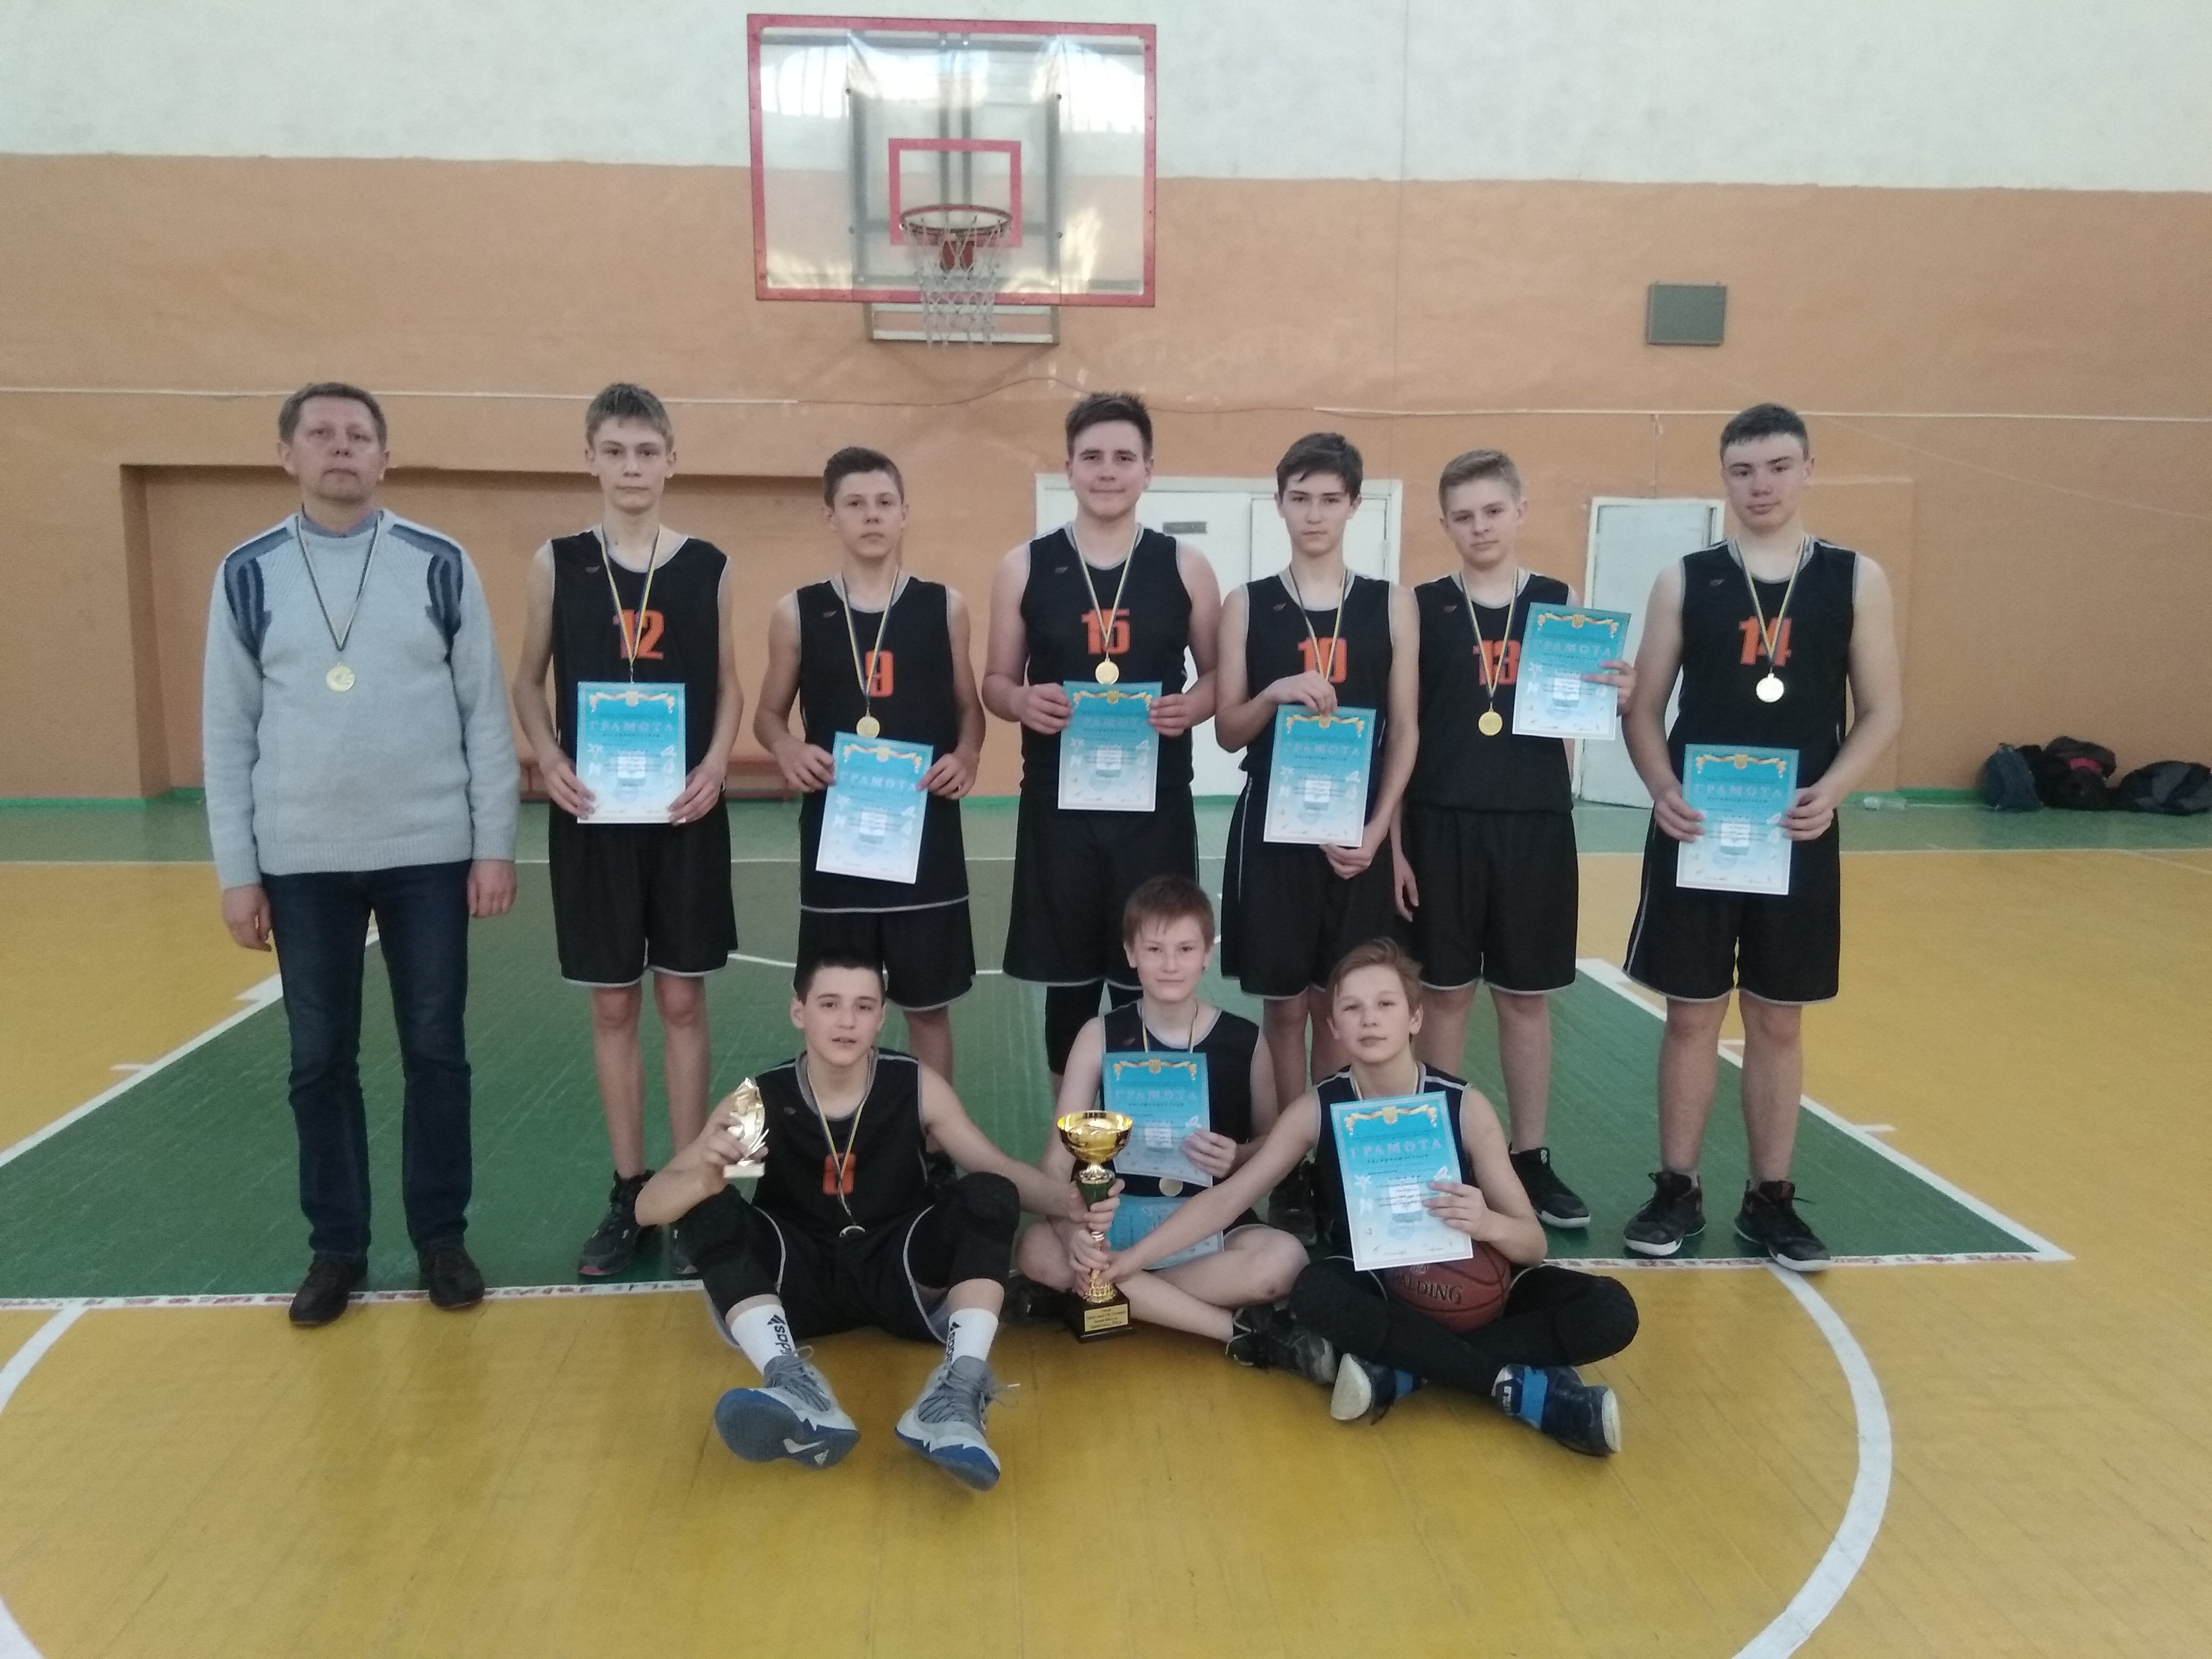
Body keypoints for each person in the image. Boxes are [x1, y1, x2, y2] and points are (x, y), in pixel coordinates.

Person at [204, 381, 518, 1327]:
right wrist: (238, 871)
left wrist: (493, 846)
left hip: (429, 853)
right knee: (317, 1062)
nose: (340, 447)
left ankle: (441, 1239)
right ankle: (336, 1248)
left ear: (384, 456)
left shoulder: (439, 563)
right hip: (301, 863)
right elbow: (227, 730)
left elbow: (484, 714)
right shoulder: (247, 573)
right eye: (321, 434)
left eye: (358, 435)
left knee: (437, 1052)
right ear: (288, 454)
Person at [1096, 940, 1638, 1455]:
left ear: (1415, 1018)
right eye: (1352, 1008)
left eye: (1385, 1004)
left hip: (1478, 1279)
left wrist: (1487, 1223)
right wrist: (1134, 1260)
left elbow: (1531, 1244)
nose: (1369, 1019)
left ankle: (1403, 1371)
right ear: (1333, 1027)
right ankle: (1523, 1388)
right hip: (1380, 1289)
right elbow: (1230, 1197)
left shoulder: (1463, 1107)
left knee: (1610, 1311)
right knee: (1315, 1294)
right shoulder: (1317, 1108)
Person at [635, 951, 1104, 1491]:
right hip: (796, 1280)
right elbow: (649, 1204)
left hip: (899, 1268)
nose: (846, 1021)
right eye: (829, 1004)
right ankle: (790, 1382)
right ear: (798, 1012)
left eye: (863, 1006)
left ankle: (954, 1393)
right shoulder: (763, 1098)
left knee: (990, 1192)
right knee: (704, 1203)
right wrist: (705, 1178)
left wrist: (1067, 1201)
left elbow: (993, 1166)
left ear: (881, 1018)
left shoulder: (912, 1083)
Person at [1620, 403, 1903, 1269]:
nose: (1761, 485)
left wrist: (1832, 793)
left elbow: (1883, 709)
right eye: (1743, 470)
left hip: (1796, 830)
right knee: (1691, 1015)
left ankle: (1769, 1197)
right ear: (1725, 478)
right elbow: (1643, 707)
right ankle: (1677, 1187)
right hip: (1699, 828)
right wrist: (1662, 790)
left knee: (1778, 1020)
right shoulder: (1686, 579)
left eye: (1779, 467)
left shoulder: (1856, 578)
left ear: (1809, 470)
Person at [510, 383, 742, 1279]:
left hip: (683, 810)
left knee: (682, 1000)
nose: (632, 467)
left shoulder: (709, 565)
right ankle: (629, 1187)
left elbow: (727, 685)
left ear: (671, 460)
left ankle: (690, 1187)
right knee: (614, 1005)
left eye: (647, 451)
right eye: (615, 451)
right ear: (592, 460)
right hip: (596, 814)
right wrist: (548, 757)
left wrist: (716, 764)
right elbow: (528, 680)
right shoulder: (557, 562)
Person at [1393, 449, 1635, 1230]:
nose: (1480, 527)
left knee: (1526, 999)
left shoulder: (1560, 606)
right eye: (1463, 516)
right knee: (1445, 997)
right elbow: (1402, 731)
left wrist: (1619, 693)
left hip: (1533, 823)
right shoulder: (1422, 607)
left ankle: (1529, 1158)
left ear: (1520, 512)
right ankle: (1443, 1150)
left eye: (1493, 511)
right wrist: (1395, 843)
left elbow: (1588, 711)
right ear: (1444, 524)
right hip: (1440, 822)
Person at [983, 392, 1222, 1087]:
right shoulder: (1024, 566)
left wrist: (1191, 707)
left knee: (1154, 975)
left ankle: (1148, 1130)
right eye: (1092, 457)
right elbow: (995, 682)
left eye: (1123, 457)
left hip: (1155, 809)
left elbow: (1218, 679)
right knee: (1069, 986)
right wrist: (1021, 701)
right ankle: (1074, 1138)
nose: (1107, 471)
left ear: (1148, 469)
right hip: (1060, 809)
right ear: (1069, 469)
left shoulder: (1185, 566)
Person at [1013, 875, 1329, 1378]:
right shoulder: (1099, 1035)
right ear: (1130, 954)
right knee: (1038, 1251)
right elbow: (1057, 1160)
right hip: (1117, 1220)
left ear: (1207, 954)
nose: (1170, 964)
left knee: (1284, 1260)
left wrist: (1238, 1155)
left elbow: (1269, 1145)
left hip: (1207, 1220)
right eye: (1154, 949)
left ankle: (1102, 1297)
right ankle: (1233, 1329)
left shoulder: (1245, 1041)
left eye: (1185, 949)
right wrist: (1073, 1231)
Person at [755, 447, 983, 1080]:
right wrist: (787, 748)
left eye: (884, 502)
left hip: (924, 838)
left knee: (927, 1008)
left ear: (904, 512)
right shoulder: (797, 611)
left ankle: (931, 1134)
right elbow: (768, 715)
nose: (872, 515)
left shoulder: (944, 606)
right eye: (854, 504)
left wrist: (967, 754)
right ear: (830, 515)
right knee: (837, 1006)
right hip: (838, 844)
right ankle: (842, 1125)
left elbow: (969, 709)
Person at [1216, 433, 1419, 1118]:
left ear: (1354, 505)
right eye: (1299, 498)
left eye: (1330, 500)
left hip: (1356, 829)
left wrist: (1378, 829)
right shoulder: (1246, 604)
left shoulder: (1390, 604)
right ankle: (1288, 1145)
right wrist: (1273, 693)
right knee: (1283, 1007)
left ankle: (1330, 1138)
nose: (1313, 514)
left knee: (1343, 1001)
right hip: (1273, 829)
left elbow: (1404, 730)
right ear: (1278, 503)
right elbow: (1227, 728)